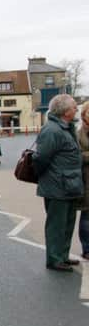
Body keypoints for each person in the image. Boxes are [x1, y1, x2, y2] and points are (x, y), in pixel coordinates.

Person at [33, 94, 83, 272]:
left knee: (67, 224)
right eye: (74, 106)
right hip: (57, 186)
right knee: (56, 225)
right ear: (65, 111)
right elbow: (40, 158)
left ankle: (62, 256)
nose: (77, 109)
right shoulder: (52, 130)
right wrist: (49, 178)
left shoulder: (64, 128)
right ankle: (54, 259)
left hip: (68, 185)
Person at [76, 101, 89, 260]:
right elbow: (77, 156)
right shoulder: (78, 133)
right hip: (86, 179)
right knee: (87, 216)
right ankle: (87, 248)